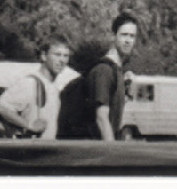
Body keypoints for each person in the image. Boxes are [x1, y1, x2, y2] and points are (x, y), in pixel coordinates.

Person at [59, 12, 138, 141]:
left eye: (132, 36)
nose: (128, 41)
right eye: (124, 35)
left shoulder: (117, 71)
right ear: (113, 36)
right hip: (93, 148)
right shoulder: (104, 71)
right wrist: (111, 150)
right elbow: (101, 118)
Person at [0, 36, 74, 139]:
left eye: (66, 56)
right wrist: (29, 126)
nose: (62, 60)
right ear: (43, 56)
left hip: (47, 146)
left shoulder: (54, 86)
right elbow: (1, 106)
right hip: (31, 147)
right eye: (57, 55)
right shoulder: (30, 83)